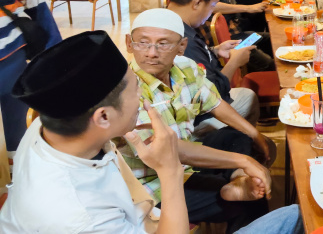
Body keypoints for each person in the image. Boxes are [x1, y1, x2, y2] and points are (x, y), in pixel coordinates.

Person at [0, 31, 190, 233]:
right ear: (104, 117)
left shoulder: (52, 124)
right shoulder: (81, 216)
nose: (141, 95)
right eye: (136, 89)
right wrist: (170, 171)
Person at [121, 9, 276, 230]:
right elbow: (168, 150)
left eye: (163, 44)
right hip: (156, 185)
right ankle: (238, 187)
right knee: (249, 201)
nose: (152, 53)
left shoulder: (185, 67)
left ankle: (239, 179)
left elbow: (214, 103)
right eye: (143, 43)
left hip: (186, 164)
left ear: (181, 46)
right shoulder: (127, 90)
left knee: (237, 136)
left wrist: (254, 133)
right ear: (129, 43)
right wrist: (243, 160)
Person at [167, 0, 263, 126]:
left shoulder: (169, 21)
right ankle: (234, 137)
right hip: (195, 117)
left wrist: (214, 51)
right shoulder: (184, 40)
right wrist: (234, 62)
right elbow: (212, 94)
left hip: (187, 103)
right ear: (197, 3)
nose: (211, 12)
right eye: (212, 6)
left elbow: (193, 60)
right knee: (249, 97)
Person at [0, 0, 61, 152]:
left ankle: (17, 163)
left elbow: (33, 0)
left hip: (11, 50)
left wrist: (55, 51)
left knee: (17, 115)